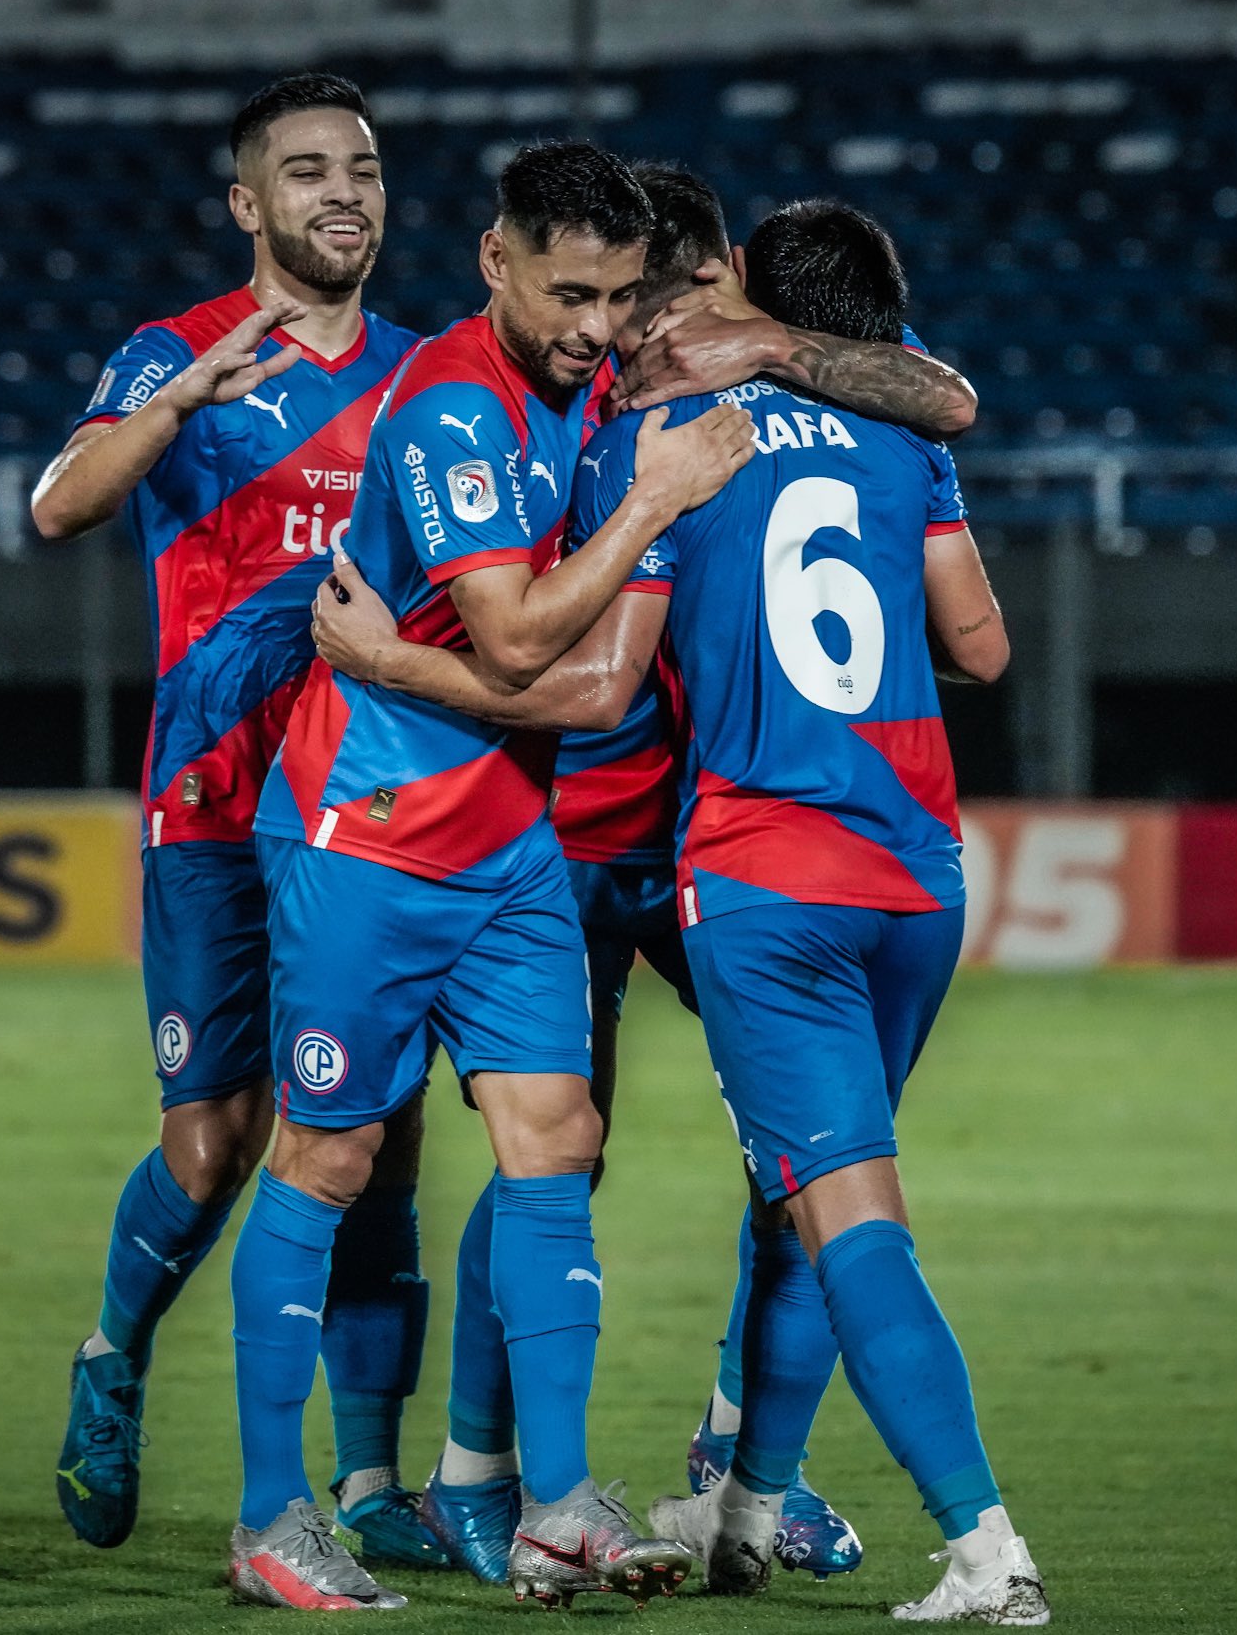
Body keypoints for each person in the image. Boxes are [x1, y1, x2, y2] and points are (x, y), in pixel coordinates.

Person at [313, 199, 1040, 1622]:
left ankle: (893, 1518)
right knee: (586, 1154)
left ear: (745, 296)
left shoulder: (671, 437)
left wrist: (390, 658)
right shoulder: (873, 429)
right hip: (836, 859)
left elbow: (590, 679)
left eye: (703, 285)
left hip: (739, 858)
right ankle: (565, 1476)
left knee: (791, 1190)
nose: (660, 314)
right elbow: (983, 642)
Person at [234, 140, 751, 1611]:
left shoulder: (588, 393)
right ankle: (274, 1516)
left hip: (510, 841)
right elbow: (524, 643)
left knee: (556, 1130)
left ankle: (558, 1501)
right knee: (329, 1156)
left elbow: (591, 682)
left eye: (617, 297)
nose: (596, 325)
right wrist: (653, 504)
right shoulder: (456, 403)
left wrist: (400, 653)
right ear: (495, 259)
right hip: (371, 832)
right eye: (570, 291)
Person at [29, 73, 443, 1568]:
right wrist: (182, 400)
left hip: (369, 809)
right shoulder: (169, 352)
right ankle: (113, 1354)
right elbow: (59, 506)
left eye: (367, 168)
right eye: (310, 169)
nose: (346, 191)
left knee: (377, 1139)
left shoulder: (432, 374)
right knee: (212, 1142)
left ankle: (378, 1478)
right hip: (210, 807)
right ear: (249, 206)